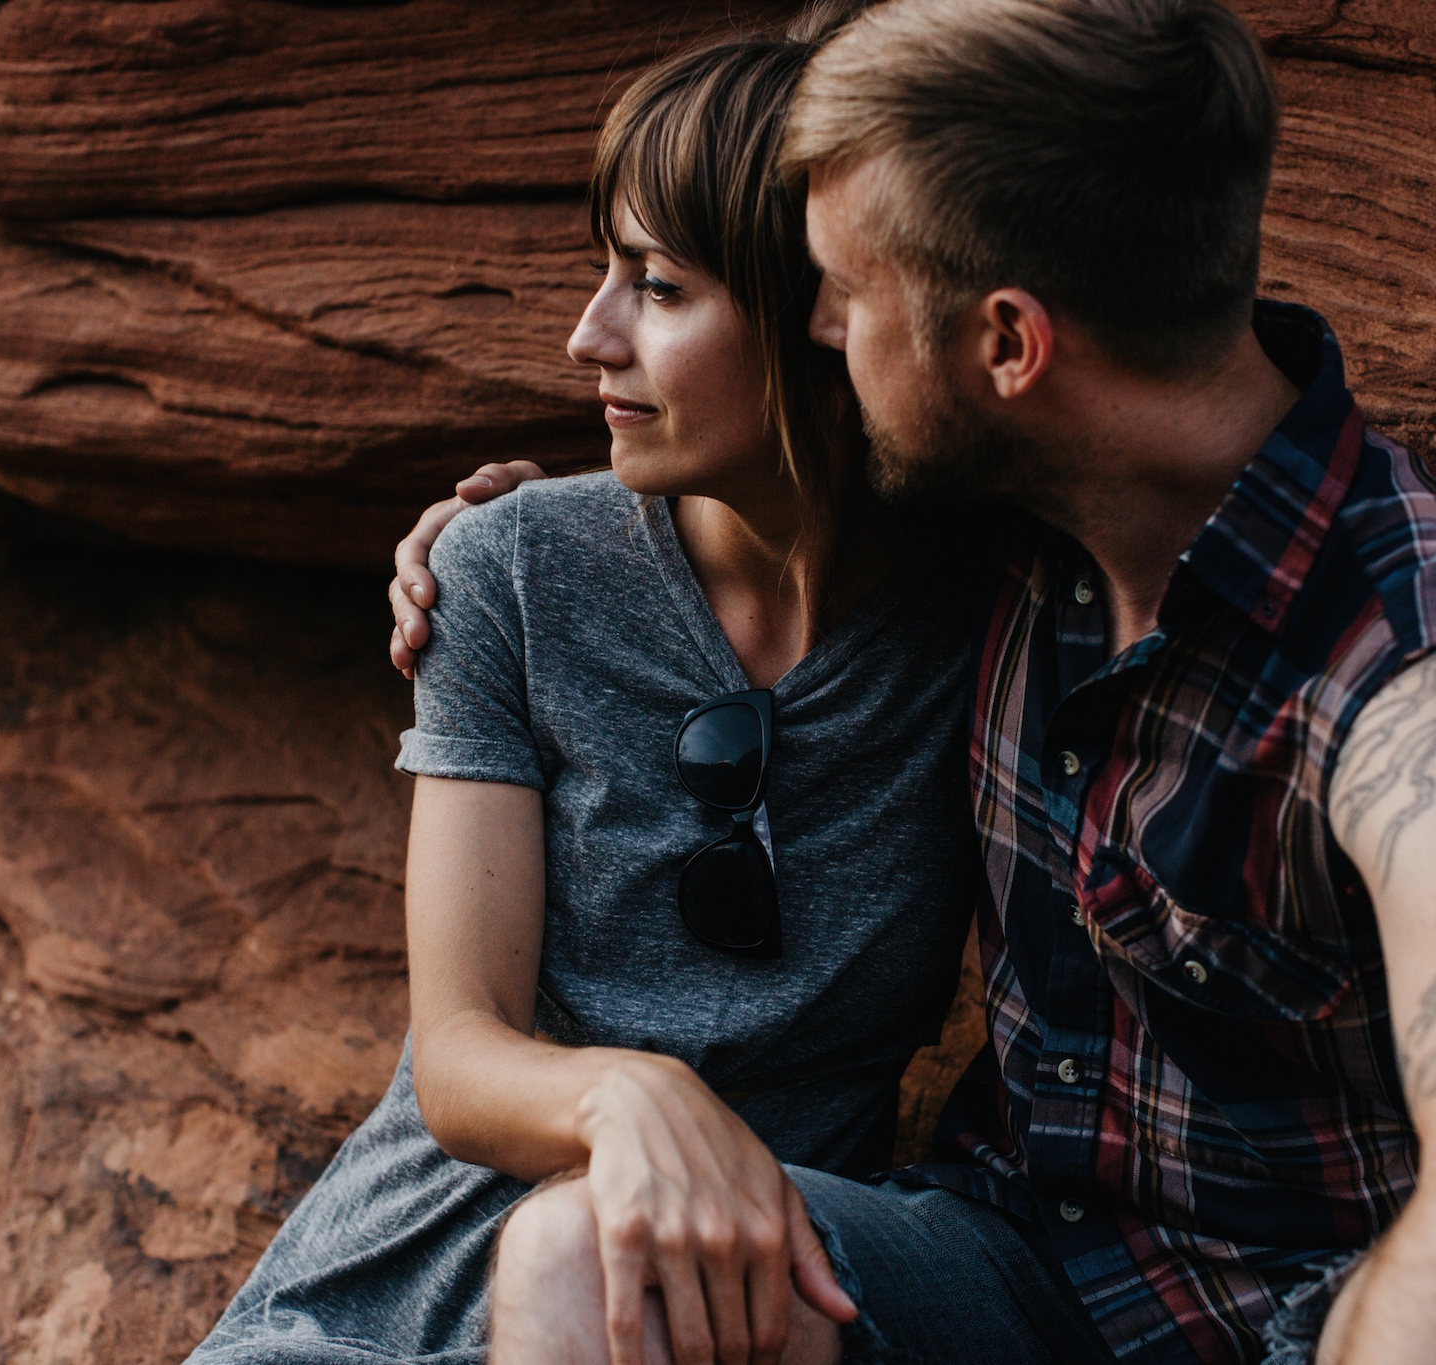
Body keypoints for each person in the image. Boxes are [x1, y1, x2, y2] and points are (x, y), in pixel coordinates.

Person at [393, 2, 1436, 1364]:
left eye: (847, 288)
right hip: (1007, 1260)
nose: (820, 326)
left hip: (1305, 1316)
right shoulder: (1003, 515)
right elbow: (758, 502)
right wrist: (506, 538)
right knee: (587, 1257)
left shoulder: (1430, 664)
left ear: (1009, 348)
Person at [186, 15, 1095, 1365]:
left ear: (827, 317)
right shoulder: (506, 568)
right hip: (394, 1285)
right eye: (605, 274)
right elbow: (457, 1050)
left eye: (659, 288)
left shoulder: (996, 608)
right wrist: (627, 1092)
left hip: (723, 1299)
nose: (586, 335)